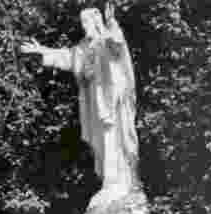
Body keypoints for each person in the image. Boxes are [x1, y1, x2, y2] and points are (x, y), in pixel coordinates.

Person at [20, 2, 138, 201]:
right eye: (82, 21)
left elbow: (118, 44)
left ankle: (116, 180)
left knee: (112, 135)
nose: (84, 25)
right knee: (100, 139)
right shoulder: (83, 47)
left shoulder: (106, 38)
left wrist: (110, 22)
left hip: (110, 99)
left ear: (95, 21)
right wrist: (42, 51)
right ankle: (108, 181)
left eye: (86, 21)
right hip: (94, 101)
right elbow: (67, 56)